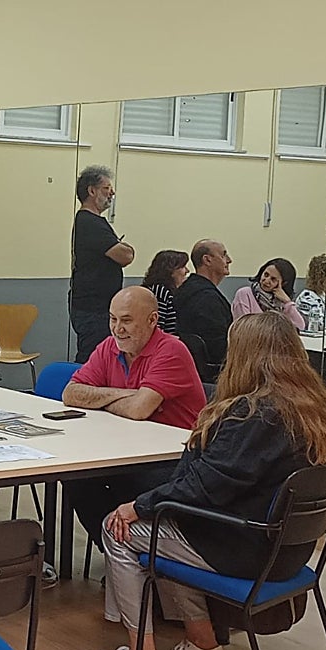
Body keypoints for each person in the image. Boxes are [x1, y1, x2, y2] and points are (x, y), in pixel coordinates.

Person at [89, 313, 326, 650]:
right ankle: (202, 645)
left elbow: (204, 486)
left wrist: (138, 506)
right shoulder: (319, 410)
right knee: (170, 519)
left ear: (243, 356)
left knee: (120, 528)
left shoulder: (255, 415)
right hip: (290, 552)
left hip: (246, 551)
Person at [62, 286, 206, 541]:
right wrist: (127, 394)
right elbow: (71, 394)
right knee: (76, 477)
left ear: (152, 320)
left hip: (171, 462)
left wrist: (101, 398)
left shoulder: (171, 350)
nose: (118, 328)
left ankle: (130, 549)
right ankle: (113, 546)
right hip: (126, 450)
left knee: (103, 478)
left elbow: (139, 411)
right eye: (113, 319)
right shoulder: (110, 347)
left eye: (127, 320)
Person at [70, 165, 134, 363]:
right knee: (92, 359)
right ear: (92, 191)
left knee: (100, 357)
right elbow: (125, 256)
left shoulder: (92, 221)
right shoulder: (90, 222)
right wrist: (124, 247)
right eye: (107, 188)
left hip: (94, 306)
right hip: (94, 309)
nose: (112, 193)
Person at [174, 239, 233, 365]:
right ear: (207, 260)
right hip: (214, 372)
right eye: (223, 255)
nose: (229, 260)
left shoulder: (186, 289)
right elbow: (218, 347)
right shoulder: (207, 299)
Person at [230, 258, 304, 329]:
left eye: (273, 279)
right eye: (266, 275)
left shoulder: (281, 304)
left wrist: (287, 302)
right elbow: (244, 327)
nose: (266, 280)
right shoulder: (245, 294)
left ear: (283, 283)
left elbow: (300, 326)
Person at [141, 250, 189, 335]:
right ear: (170, 271)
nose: (187, 271)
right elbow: (157, 328)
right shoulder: (159, 291)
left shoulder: (163, 290)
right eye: (183, 267)